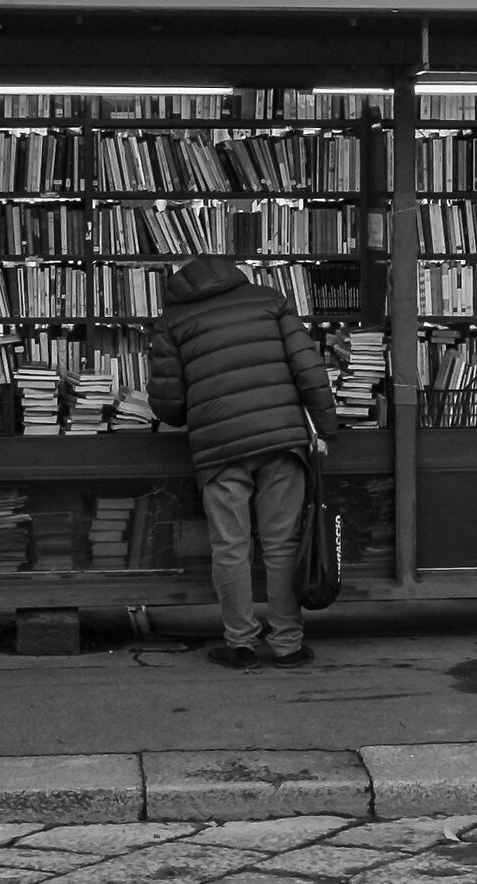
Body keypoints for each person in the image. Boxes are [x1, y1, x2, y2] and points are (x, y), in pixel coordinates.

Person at [147, 254, 342, 670]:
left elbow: (170, 405)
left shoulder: (171, 321)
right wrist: (325, 430)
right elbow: (309, 371)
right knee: (282, 543)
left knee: (230, 547)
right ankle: (288, 645)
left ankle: (240, 644)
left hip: (218, 449)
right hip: (280, 440)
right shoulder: (270, 301)